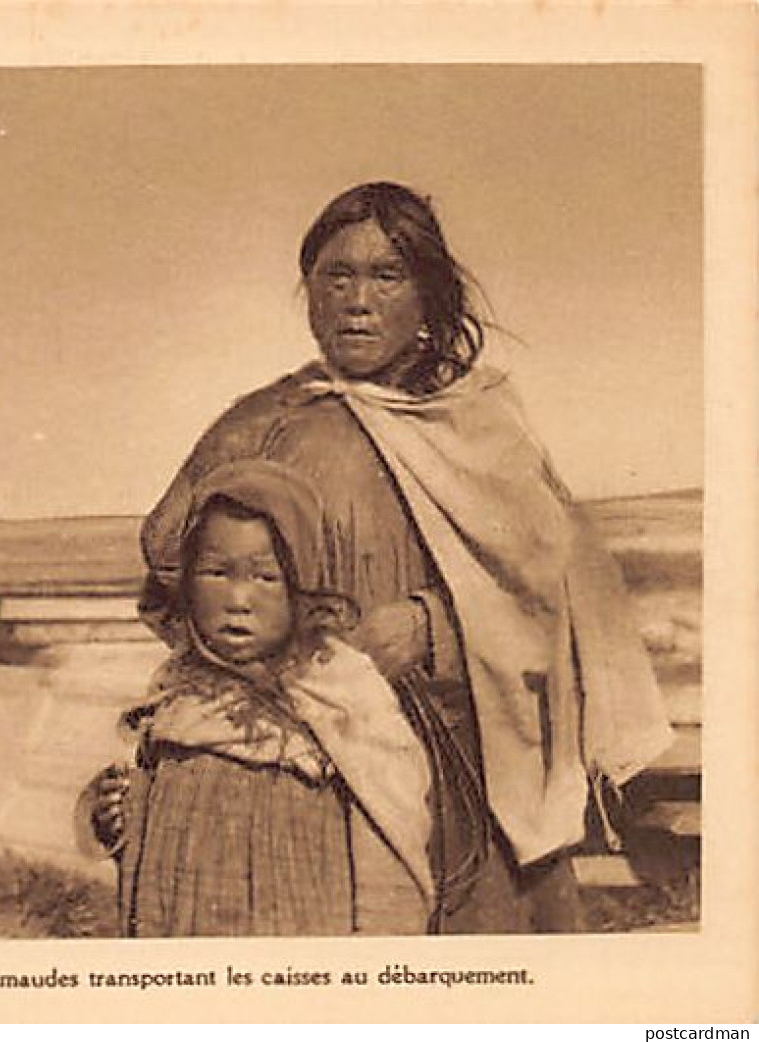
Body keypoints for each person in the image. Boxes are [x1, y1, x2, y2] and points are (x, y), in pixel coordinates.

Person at [133, 181, 673, 934]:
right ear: (309, 292)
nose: (357, 300)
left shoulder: (482, 427)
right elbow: (173, 581)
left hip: (467, 775)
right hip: (301, 779)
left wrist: (432, 628)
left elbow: (562, 592)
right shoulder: (258, 423)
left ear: (426, 298)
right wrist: (276, 680)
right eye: (335, 275)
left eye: (385, 276)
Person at [98, 459, 434, 937]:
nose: (239, 599)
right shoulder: (176, 691)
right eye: (216, 573)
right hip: (177, 921)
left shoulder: (342, 696)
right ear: (186, 585)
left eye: (265, 577)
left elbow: (390, 838)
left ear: (303, 588)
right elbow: (141, 810)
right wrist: (115, 815)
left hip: (299, 920)